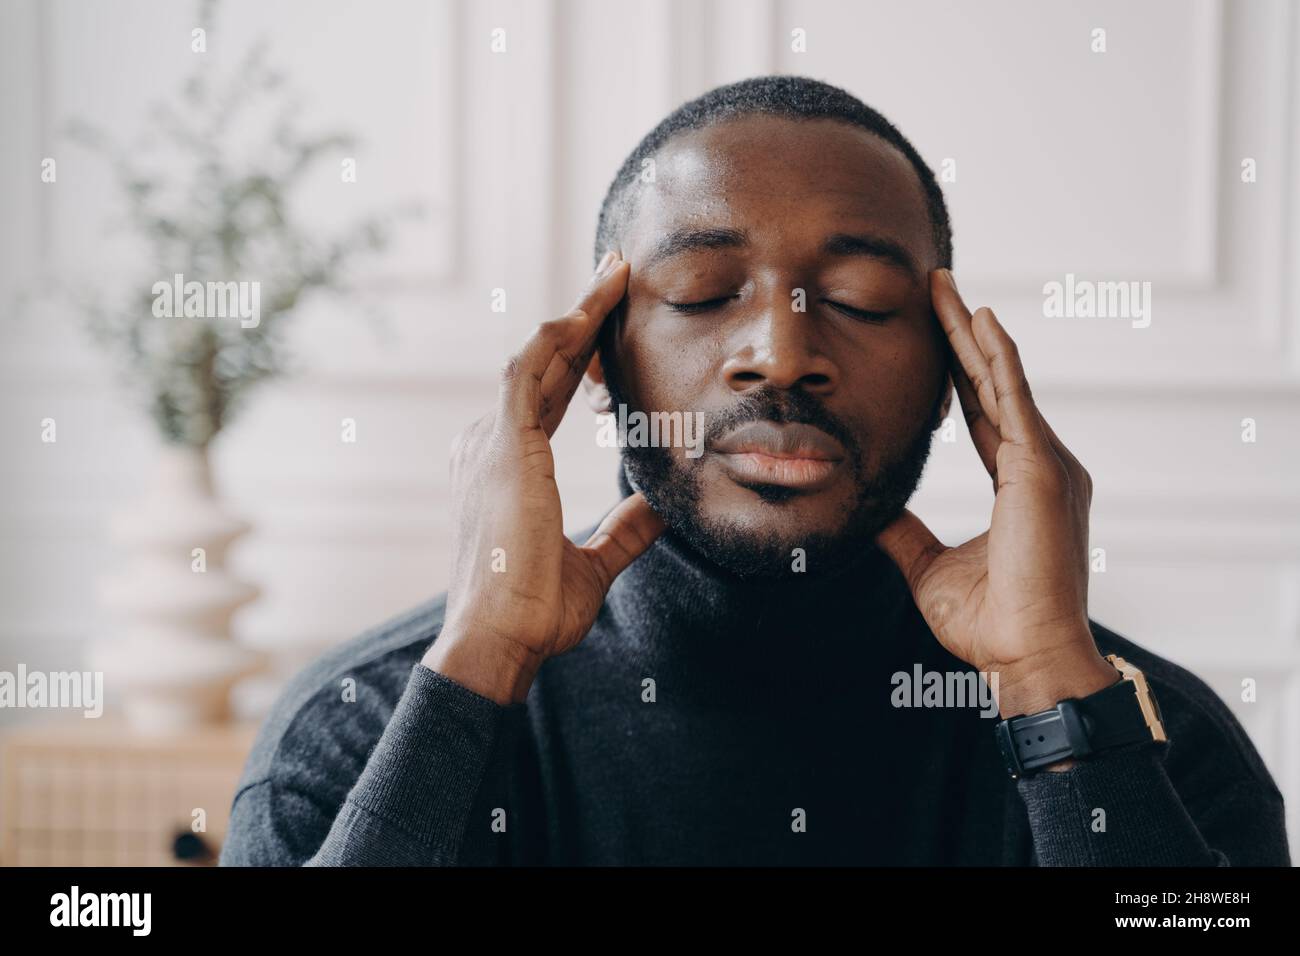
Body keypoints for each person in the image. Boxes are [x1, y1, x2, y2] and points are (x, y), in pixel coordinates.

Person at [220, 76, 1289, 866]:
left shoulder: (1157, 747)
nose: (780, 352)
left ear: (950, 375)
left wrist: (1052, 681)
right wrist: (479, 663)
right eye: (698, 290)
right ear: (596, 359)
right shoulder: (359, 730)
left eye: (865, 300)